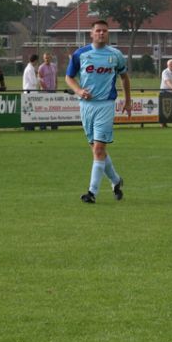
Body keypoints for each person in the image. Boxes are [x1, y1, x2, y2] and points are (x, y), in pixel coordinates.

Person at [65, 20, 131, 204]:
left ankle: (92, 192)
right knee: (97, 150)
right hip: (86, 106)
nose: (101, 33)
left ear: (108, 34)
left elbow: (124, 77)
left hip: (105, 105)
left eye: (105, 31)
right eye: (98, 31)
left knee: (99, 149)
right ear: (91, 33)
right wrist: (79, 91)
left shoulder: (115, 55)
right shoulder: (80, 54)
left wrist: (128, 100)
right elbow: (69, 77)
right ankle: (116, 181)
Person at [38, 53, 59, 130]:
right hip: (45, 92)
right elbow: (39, 79)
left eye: (48, 58)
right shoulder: (41, 67)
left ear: (50, 58)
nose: (47, 59)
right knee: (44, 109)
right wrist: (44, 88)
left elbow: (55, 77)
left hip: (53, 90)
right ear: (43, 58)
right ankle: (43, 126)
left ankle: (54, 126)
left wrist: (56, 86)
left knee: (53, 109)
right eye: (45, 58)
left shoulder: (54, 66)